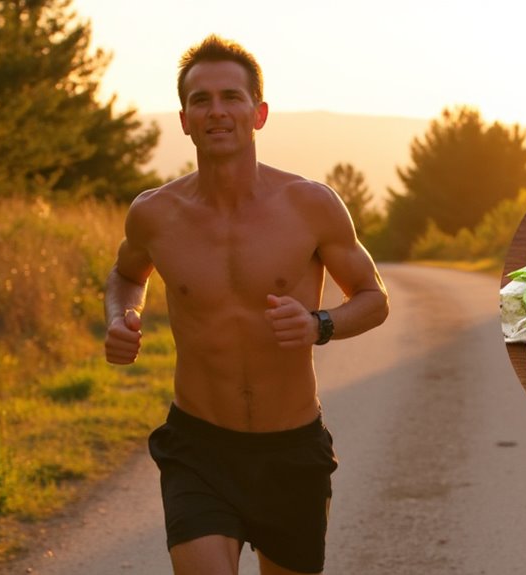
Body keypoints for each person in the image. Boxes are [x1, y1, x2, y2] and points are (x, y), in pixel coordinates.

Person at [103, 35, 389, 575]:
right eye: (201, 100)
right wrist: (120, 318)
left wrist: (320, 324)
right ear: (184, 120)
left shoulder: (310, 204)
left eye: (231, 97)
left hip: (291, 450)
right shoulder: (155, 214)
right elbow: (124, 275)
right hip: (198, 448)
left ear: (258, 113)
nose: (216, 111)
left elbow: (374, 298)